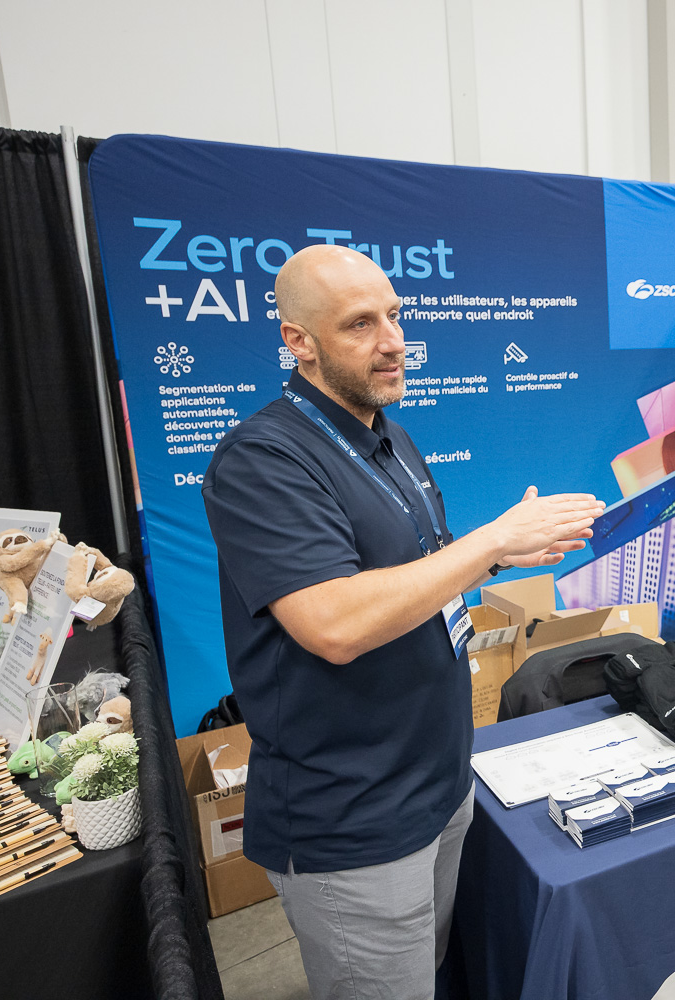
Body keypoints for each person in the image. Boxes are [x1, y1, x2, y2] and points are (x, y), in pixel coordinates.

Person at [202, 245, 604, 999]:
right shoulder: (262, 459)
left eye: (395, 316)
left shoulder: (388, 435)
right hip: (353, 818)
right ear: (299, 342)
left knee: (426, 975)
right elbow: (333, 623)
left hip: (439, 784)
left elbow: (420, 574)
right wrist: (491, 540)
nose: (393, 341)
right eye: (360, 324)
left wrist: (494, 558)